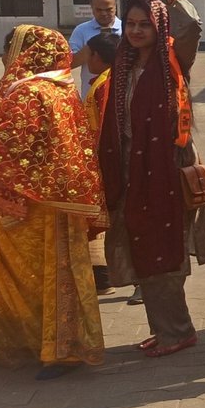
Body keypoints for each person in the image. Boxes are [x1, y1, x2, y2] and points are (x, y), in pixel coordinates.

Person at [0, 25, 107, 378]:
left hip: (31, 209)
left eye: (10, 49)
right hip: (57, 203)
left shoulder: (30, 93)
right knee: (61, 276)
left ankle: (48, 348)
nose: (6, 58)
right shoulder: (62, 89)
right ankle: (62, 345)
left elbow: (5, 142)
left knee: (29, 278)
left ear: (25, 52)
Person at [96, 0, 205, 359]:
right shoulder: (123, 69)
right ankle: (164, 329)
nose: (137, 30)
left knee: (164, 246)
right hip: (132, 172)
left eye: (145, 24)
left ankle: (178, 331)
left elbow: (192, 22)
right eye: (131, 24)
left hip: (167, 170)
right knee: (141, 245)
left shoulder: (173, 59)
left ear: (158, 27)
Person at [81, 31, 119, 294]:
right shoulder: (106, 80)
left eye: (88, 55)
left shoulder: (106, 84)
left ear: (96, 56)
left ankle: (108, 276)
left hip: (104, 160)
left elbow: (106, 124)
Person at [69, 0, 120, 73]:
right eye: (99, 10)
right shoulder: (81, 30)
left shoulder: (127, 29)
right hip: (91, 86)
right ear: (92, 8)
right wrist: (88, 51)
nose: (104, 14)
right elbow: (68, 64)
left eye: (108, 9)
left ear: (115, 7)